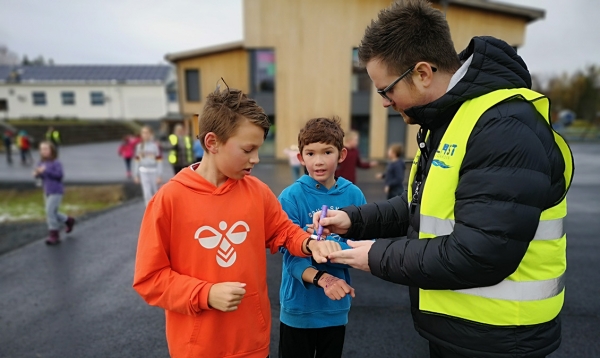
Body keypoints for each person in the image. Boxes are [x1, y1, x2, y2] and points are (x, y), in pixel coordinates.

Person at [312, 1, 574, 357]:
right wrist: (353, 220)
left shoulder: (503, 127)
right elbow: (420, 208)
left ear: (422, 73)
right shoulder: (450, 121)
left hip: (500, 340)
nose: (385, 103)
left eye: (385, 90)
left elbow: (478, 253)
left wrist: (376, 255)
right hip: (466, 331)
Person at [132, 83, 345, 358]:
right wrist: (204, 294)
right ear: (212, 143)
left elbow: (283, 231)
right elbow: (150, 279)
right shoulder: (169, 200)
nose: (255, 159)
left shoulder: (257, 192)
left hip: (252, 344)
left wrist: (308, 244)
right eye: (247, 150)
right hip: (196, 349)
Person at [278, 117, 364, 358]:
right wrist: (324, 278)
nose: (318, 161)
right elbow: (291, 257)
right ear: (300, 158)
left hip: (334, 309)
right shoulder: (290, 197)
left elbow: (365, 244)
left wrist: (332, 245)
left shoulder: (354, 195)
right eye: (310, 153)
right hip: (298, 309)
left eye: (327, 152)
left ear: (341, 154)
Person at [33, 141, 75, 245]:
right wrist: (37, 174)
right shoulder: (40, 163)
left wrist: (45, 171)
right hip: (46, 190)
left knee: (49, 212)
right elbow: (42, 178)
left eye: (46, 149)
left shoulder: (56, 163)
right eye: (42, 149)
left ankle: (54, 235)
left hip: (56, 190)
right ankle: (68, 220)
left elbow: (59, 176)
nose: (44, 151)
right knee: (53, 212)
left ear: (52, 150)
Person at [132, 126, 163, 205]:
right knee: (147, 193)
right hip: (143, 171)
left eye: (146, 133)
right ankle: (148, 212)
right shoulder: (139, 147)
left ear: (150, 134)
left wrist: (159, 175)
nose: (144, 135)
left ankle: (157, 210)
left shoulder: (155, 146)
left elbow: (159, 161)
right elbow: (137, 161)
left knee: (155, 192)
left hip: (153, 171)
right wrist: (136, 175)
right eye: (143, 133)